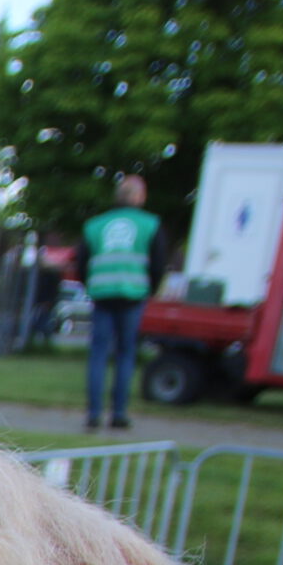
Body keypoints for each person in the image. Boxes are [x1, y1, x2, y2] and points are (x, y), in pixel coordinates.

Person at [81, 174, 170, 430]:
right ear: (139, 197)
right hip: (132, 294)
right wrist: (150, 289)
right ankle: (119, 413)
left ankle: (94, 413)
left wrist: (91, 285)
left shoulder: (95, 225)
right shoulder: (150, 224)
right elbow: (158, 263)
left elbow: (82, 261)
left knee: (98, 354)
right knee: (125, 354)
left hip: (102, 293)